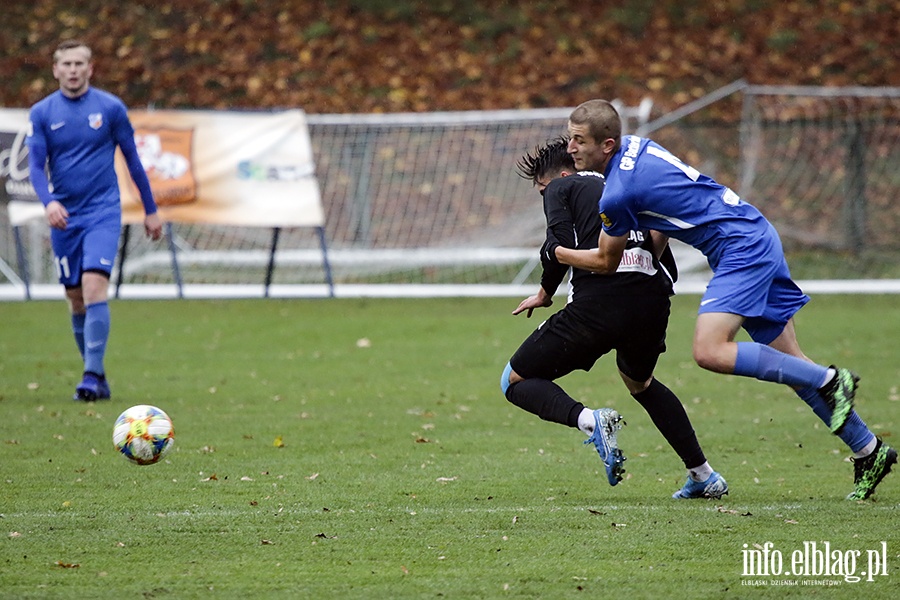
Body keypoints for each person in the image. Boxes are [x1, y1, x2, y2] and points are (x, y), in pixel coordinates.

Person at [548, 99, 895, 500]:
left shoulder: (616, 195)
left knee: (710, 351)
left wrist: (555, 253)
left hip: (740, 249)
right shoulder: (640, 148)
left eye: (578, 140)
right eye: (569, 138)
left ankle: (831, 379)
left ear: (606, 145)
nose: (570, 147)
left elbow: (607, 261)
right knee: (791, 364)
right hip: (753, 232)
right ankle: (869, 450)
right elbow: (661, 221)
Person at [501, 136, 727, 499]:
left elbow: (556, 245)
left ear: (561, 174)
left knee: (513, 380)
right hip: (652, 302)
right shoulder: (626, 184)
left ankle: (592, 421)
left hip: (600, 304)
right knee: (641, 383)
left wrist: (545, 291)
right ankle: (703, 475)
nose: (545, 196)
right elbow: (660, 231)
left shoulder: (561, 186)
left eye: (542, 190)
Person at [27, 40, 162, 401]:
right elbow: (36, 167)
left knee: (93, 287)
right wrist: (49, 202)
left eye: (79, 63)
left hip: (103, 212)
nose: (73, 70)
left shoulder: (110, 108)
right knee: (75, 299)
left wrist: (150, 210)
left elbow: (134, 161)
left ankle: (88, 375)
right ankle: (98, 377)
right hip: (64, 218)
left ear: (91, 68)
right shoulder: (42, 113)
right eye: (66, 63)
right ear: (55, 69)